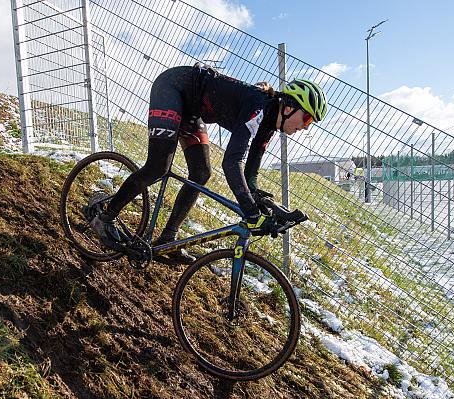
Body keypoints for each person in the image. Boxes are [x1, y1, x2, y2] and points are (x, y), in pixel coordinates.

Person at [91, 63, 327, 264]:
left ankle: (167, 239)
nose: (306, 126)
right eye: (306, 118)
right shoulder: (258, 108)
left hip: (192, 111)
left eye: (311, 122)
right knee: (158, 167)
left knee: (201, 173)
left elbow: (250, 174)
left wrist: (263, 203)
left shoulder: (268, 126)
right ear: (288, 108)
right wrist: (250, 211)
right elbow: (231, 163)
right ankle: (105, 218)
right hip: (172, 87)